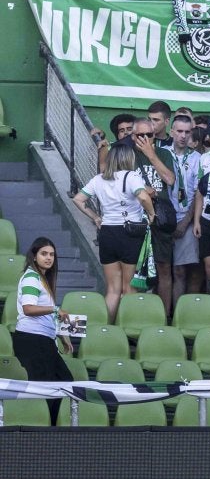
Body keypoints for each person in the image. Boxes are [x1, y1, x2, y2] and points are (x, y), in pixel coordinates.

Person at [74, 142, 154, 323]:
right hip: (130, 233)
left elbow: (78, 199)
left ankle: (106, 328)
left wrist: (95, 217)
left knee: (112, 289)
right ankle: (126, 331)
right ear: (129, 159)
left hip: (108, 232)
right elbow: (143, 196)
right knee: (129, 288)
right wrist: (151, 213)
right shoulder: (132, 176)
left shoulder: (99, 179)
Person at [12, 238, 74, 403]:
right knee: (50, 389)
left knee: (63, 383)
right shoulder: (32, 278)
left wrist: (62, 336)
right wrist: (55, 309)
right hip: (32, 340)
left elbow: (47, 315)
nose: (49, 258)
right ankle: (47, 426)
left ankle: (52, 425)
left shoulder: (42, 279)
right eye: (44, 253)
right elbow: (29, 308)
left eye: (52, 254)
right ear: (34, 256)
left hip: (42, 340)